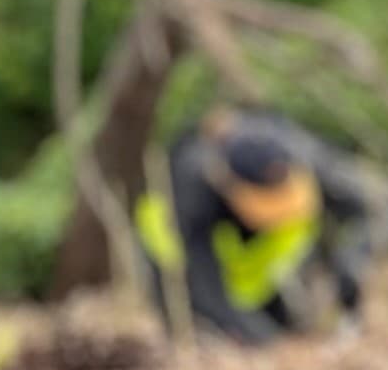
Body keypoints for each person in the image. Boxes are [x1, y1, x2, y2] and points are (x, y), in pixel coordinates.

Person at [137, 109, 372, 346]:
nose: (279, 215)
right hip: (191, 262)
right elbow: (205, 287)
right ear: (228, 186)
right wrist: (268, 344)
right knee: (229, 334)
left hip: (259, 277)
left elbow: (368, 211)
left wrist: (351, 260)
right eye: (267, 206)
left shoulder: (301, 153)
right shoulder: (192, 189)